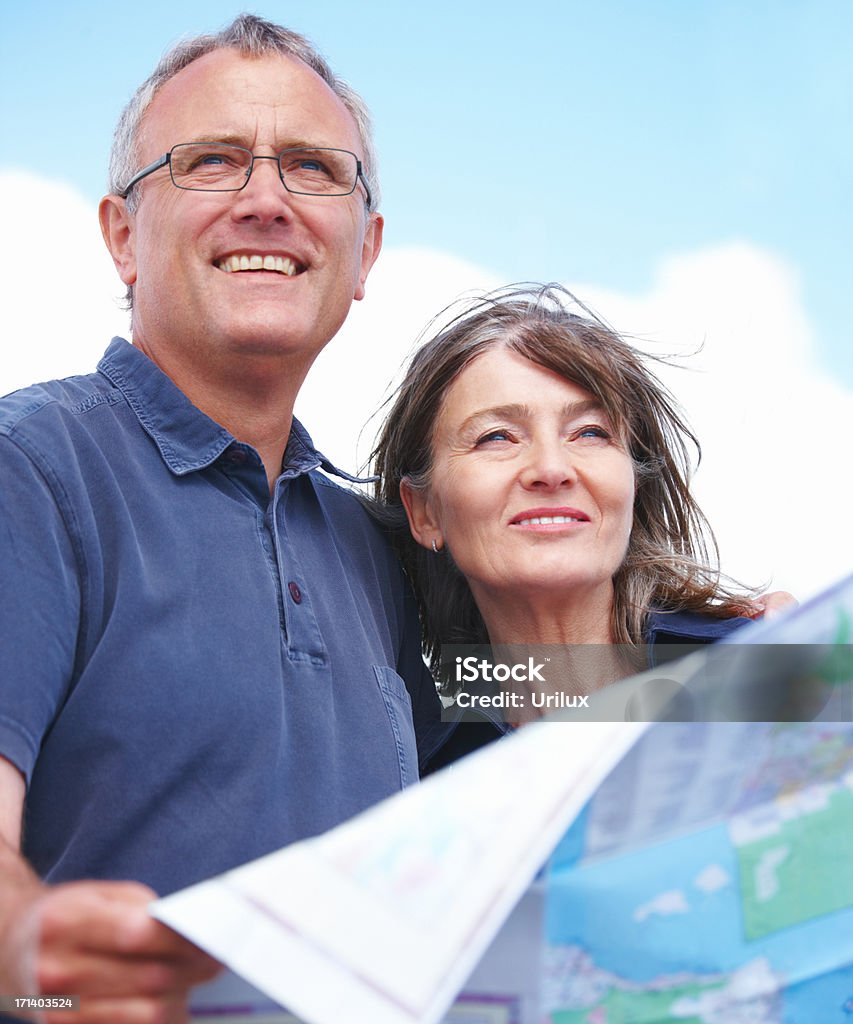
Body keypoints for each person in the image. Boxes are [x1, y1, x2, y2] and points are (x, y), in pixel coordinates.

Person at [0, 15, 449, 1023]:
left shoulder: (380, 543)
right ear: (122, 234)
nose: (265, 202)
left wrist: (716, 633)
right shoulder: (30, 469)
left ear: (365, 249)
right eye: (211, 161)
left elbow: (525, 701)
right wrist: (30, 947)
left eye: (310, 167)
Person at [371, 284, 768, 736]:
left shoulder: (775, 673)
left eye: (590, 433)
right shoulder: (416, 774)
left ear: (633, 484)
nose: (552, 469)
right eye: (497, 437)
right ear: (425, 512)